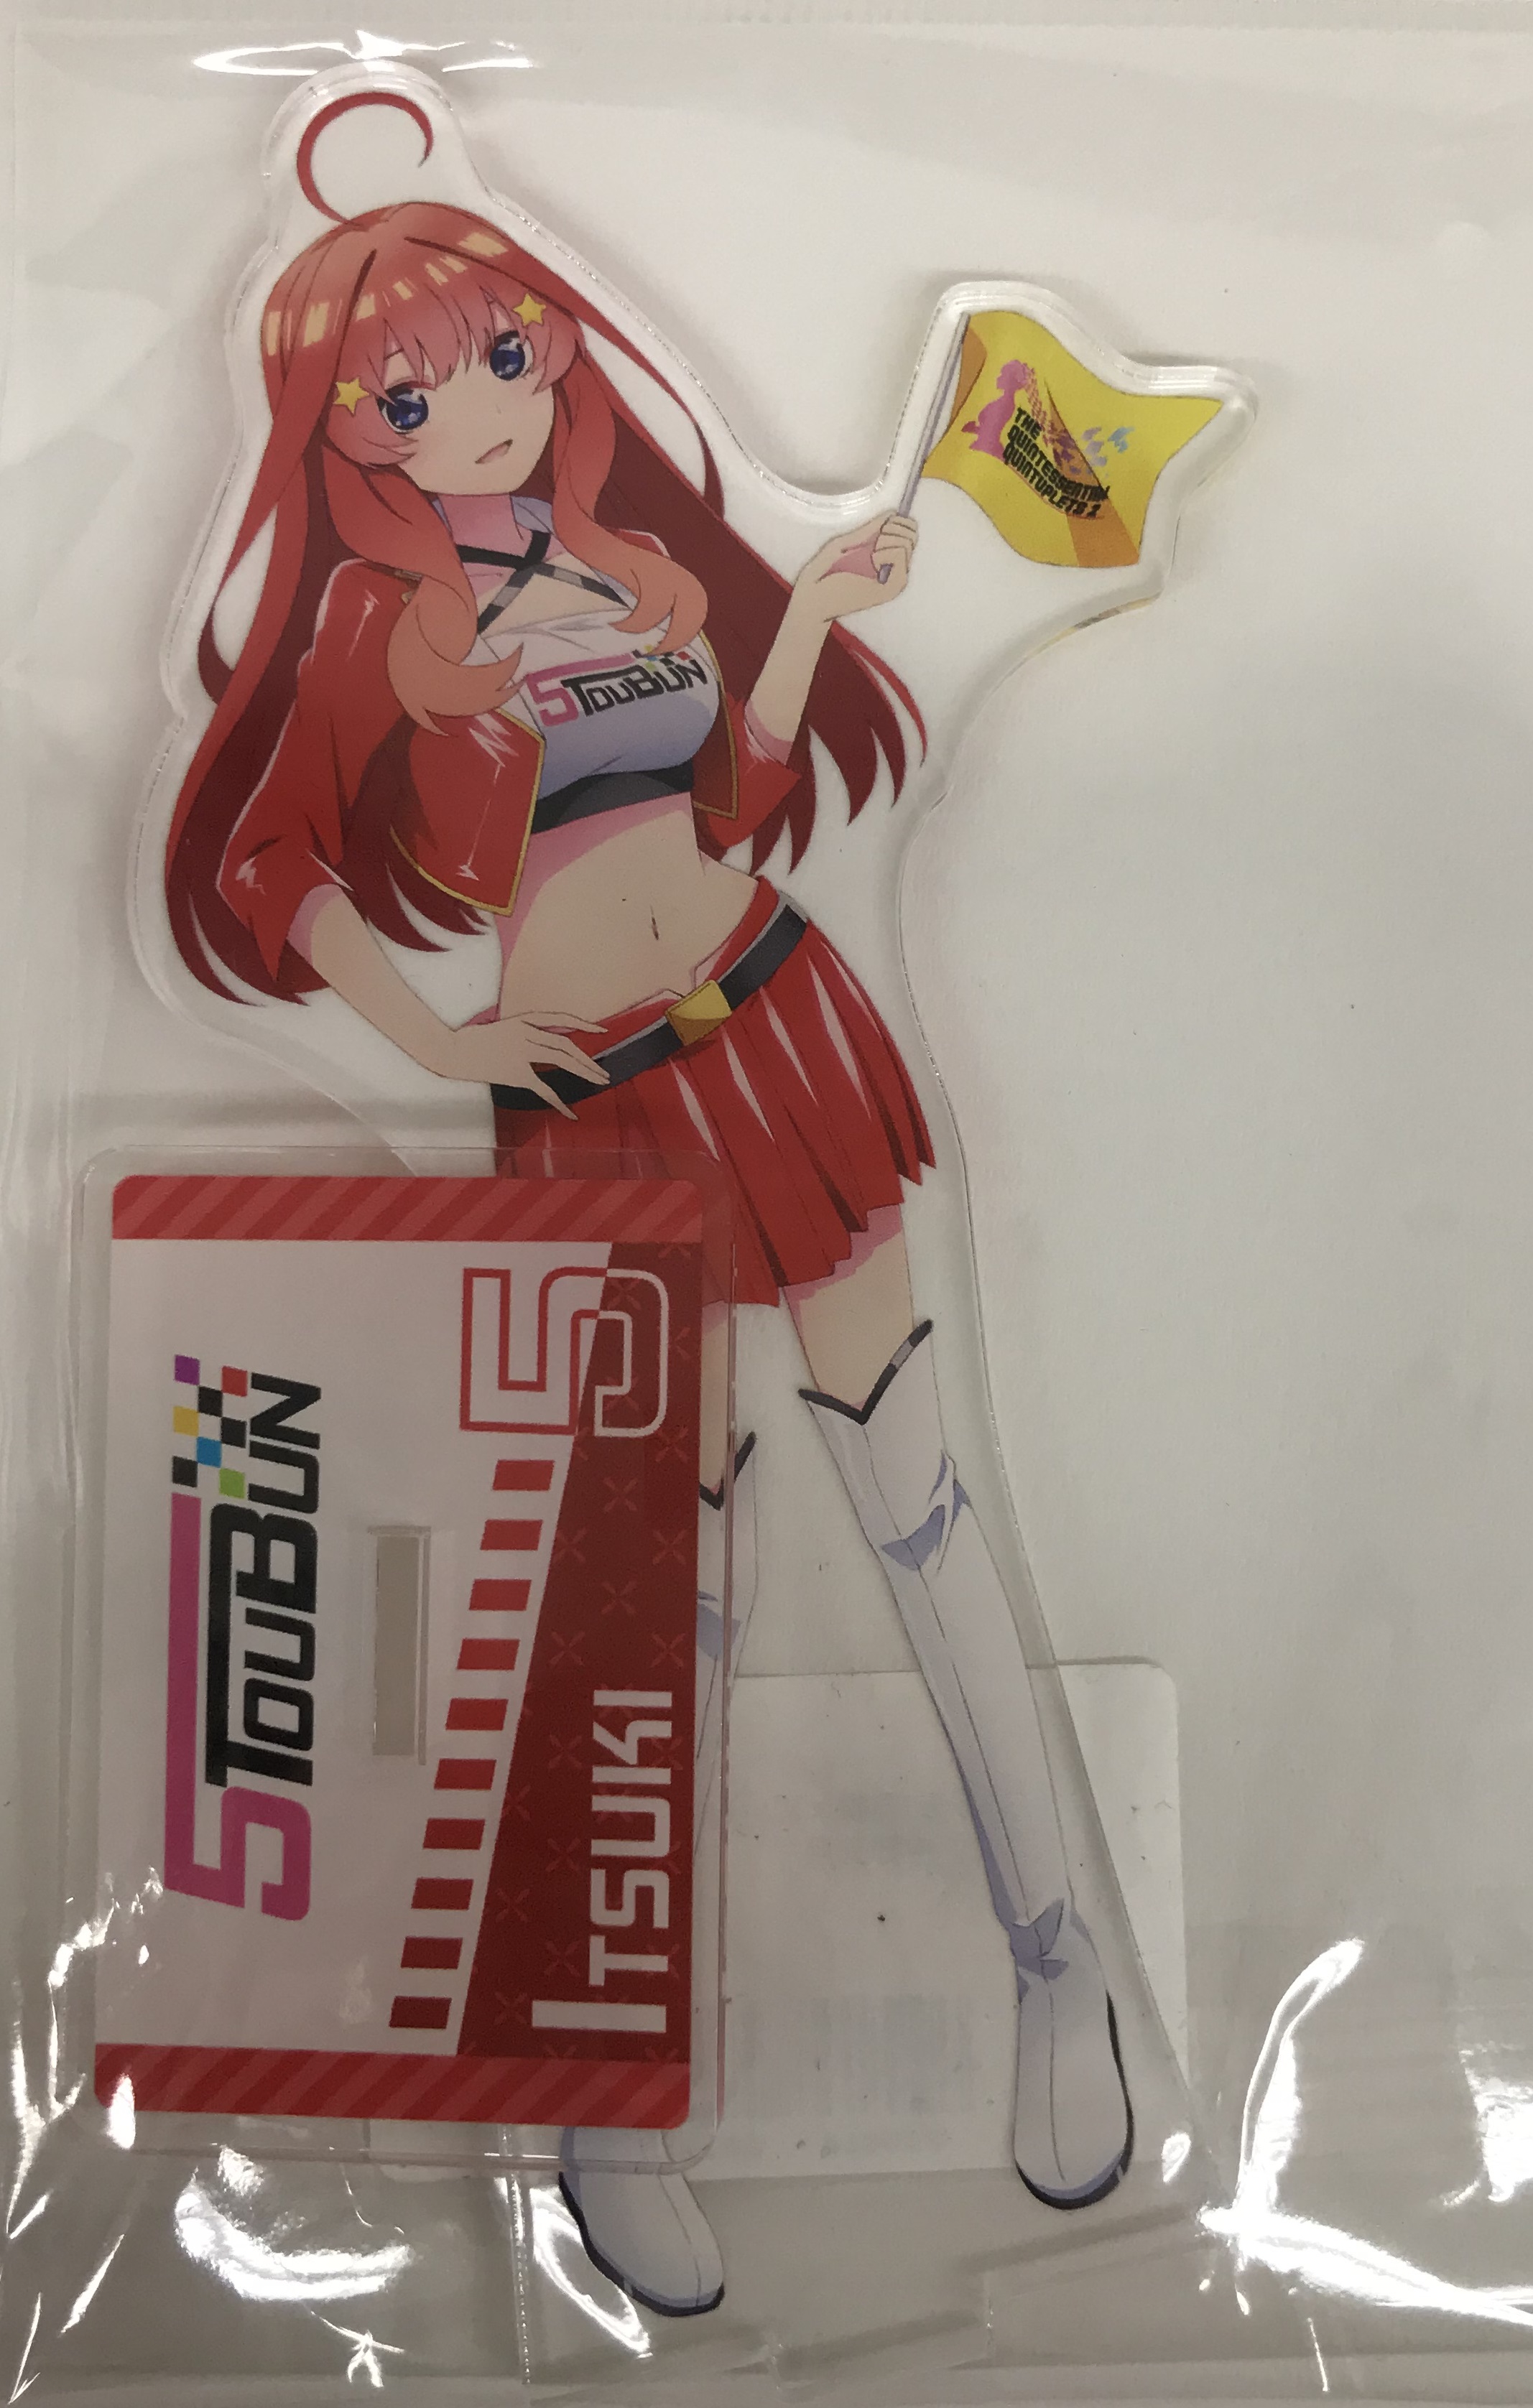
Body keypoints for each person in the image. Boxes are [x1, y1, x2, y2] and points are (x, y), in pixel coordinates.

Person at [165, 93, 1131, 2317]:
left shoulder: (632, 564)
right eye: (408, 393)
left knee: (919, 1503)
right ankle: (610, 2087)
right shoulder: (371, 626)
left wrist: (807, 621)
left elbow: (736, 795)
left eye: (504, 354)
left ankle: (1055, 1958)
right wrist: (431, 1045)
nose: (478, 409)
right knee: (656, 1590)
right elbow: (267, 861)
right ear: (344, 432)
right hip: (589, 1107)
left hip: (774, 1023)